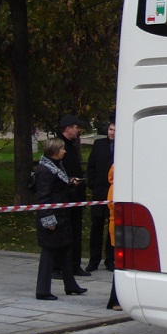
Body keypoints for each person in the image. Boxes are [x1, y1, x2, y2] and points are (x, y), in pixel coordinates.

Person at [33, 137, 87, 300]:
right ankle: (42, 290)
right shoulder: (44, 171)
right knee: (49, 253)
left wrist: (69, 183)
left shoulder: (57, 166)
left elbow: (58, 187)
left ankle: (70, 285)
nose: (65, 151)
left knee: (65, 250)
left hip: (62, 215)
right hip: (52, 217)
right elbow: (44, 198)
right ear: (55, 151)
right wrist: (48, 221)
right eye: (62, 149)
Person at [58, 113, 91, 277]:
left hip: (76, 195)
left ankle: (74, 264)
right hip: (64, 196)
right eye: (76, 127)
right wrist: (69, 181)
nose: (78, 130)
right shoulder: (59, 145)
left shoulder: (73, 145)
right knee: (64, 232)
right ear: (68, 128)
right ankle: (60, 266)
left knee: (76, 231)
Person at [86, 118, 115, 272]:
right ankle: (94, 260)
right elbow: (91, 165)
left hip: (114, 192)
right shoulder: (99, 145)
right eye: (111, 130)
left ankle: (110, 259)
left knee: (112, 226)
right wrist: (92, 183)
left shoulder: (123, 146)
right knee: (96, 227)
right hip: (99, 191)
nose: (112, 133)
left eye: (116, 130)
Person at [105, 164, 121, 312]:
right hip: (117, 228)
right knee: (120, 264)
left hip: (117, 227)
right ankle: (115, 299)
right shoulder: (115, 188)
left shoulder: (114, 187)